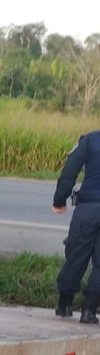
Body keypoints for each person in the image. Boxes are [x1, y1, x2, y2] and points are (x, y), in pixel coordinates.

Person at [53, 130, 100, 323]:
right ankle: (89, 311)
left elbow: (70, 170)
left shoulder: (90, 140)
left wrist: (59, 199)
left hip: (87, 208)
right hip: (89, 206)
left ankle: (64, 305)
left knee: (76, 255)